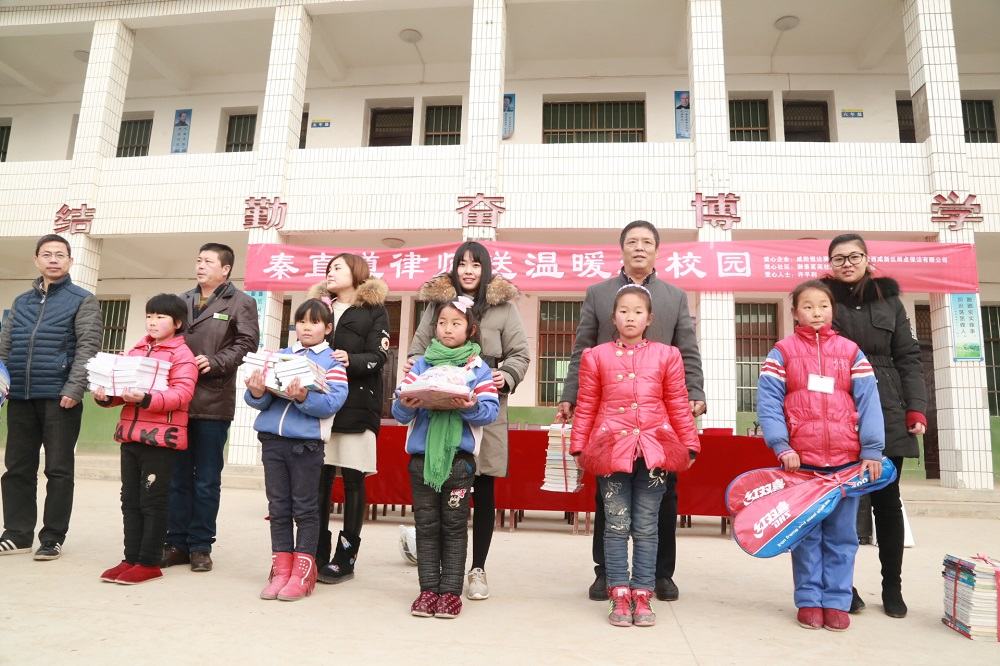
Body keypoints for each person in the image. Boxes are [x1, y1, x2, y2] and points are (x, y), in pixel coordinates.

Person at [557, 220, 705, 602]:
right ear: (621, 248)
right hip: (612, 418)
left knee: (664, 495)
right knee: (608, 495)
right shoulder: (599, 293)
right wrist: (570, 394)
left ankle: (661, 574)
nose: (640, 247)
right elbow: (582, 348)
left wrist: (695, 391)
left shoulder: (674, 296)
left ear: (656, 250)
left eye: (647, 242)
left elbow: (687, 348)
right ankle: (606, 572)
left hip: (660, 419)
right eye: (632, 242)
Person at [757, 279, 885, 632]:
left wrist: (872, 449)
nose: (816, 312)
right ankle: (809, 600)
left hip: (846, 463)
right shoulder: (781, 353)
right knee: (808, 535)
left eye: (823, 306)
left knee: (843, 537)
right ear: (795, 312)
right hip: (803, 463)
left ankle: (837, 601)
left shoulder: (850, 352)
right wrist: (782, 446)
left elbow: (869, 401)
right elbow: (769, 403)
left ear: (832, 310)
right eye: (808, 306)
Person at [569, 285, 699, 627]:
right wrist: (579, 446)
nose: (630, 317)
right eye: (623, 311)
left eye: (638, 311)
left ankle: (642, 593)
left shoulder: (668, 355)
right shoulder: (595, 356)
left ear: (649, 318)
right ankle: (618, 593)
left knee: (646, 525)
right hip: (611, 450)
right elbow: (587, 405)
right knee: (615, 525)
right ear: (613, 317)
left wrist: (689, 443)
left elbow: (678, 403)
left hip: (654, 451)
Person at [407, 241, 529, 600]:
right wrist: (420, 374)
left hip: (485, 404)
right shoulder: (437, 305)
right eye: (462, 264)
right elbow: (417, 348)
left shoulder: (504, 307)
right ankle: (441, 572)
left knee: (484, 485)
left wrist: (505, 375)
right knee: (440, 487)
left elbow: (520, 353)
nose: (468, 270)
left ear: (485, 269)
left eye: (476, 264)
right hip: (438, 408)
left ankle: (477, 568)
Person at [821, 233, 927, 618]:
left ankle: (891, 587)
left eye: (854, 256)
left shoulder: (890, 301)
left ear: (867, 259)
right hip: (838, 407)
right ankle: (842, 586)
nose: (847, 264)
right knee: (841, 503)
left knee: (887, 500)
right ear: (830, 264)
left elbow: (908, 357)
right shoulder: (823, 299)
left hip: (886, 406)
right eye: (839, 258)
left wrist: (916, 408)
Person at [393, 297, 500, 619]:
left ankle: (450, 593)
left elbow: (489, 412)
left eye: (456, 323)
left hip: (459, 462)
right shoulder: (421, 365)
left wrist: (469, 406)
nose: (447, 329)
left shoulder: (478, 369)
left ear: (471, 330)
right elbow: (399, 412)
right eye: (442, 323)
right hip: (422, 460)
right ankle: (428, 590)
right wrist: (407, 403)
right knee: (426, 525)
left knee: (454, 526)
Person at [0, 234, 102, 559]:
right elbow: (5, 345)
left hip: (60, 398)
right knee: (17, 468)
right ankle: (17, 534)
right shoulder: (21, 302)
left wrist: (74, 388)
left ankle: (52, 537)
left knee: (58, 469)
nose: (53, 259)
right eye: (47, 254)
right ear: (36, 260)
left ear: (70, 261)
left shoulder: (82, 300)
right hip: (20, 395)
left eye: (60, 254)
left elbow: (88, 347)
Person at [162, 242, 260, 572]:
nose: (200, 265)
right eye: (198, 260)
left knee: (206, 479)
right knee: (177, 477)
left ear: (226, 269)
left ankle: (201, 546)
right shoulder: (181, 300)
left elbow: (247, 342)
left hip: (213, 400)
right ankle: (176, 542)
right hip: (178, 399)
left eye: (208, 261)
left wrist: (216, 361)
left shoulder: (241, 302)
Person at [245, 299, 349, 602]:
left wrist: (304, 397)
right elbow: (260, 401)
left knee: (305, 509)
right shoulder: (280, 355)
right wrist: (256, 391)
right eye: (301, 321)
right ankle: (280, 570)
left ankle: (303, 572)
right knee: (278, 508)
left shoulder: (333, 362)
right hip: (272, 441)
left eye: (314, 322)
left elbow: (332, 403)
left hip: (306, 444)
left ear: (327, 328)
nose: (306, 327)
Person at [95, 294, 199, 585]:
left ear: (177, 323)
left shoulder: (183, 355)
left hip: (160, 439)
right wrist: (106, 395)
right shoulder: (136, 350)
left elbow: (182, 395)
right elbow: (122, 392)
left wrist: (146, 398)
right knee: (129, 499)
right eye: (149, 316)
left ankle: (150, 562)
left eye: (161, 317)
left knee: (152, 500)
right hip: (130, 436)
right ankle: (130, 558)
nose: (153, 322)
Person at [306, 253, 390, 584]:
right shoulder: (320, 308)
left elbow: (379, 355)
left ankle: (346, 557)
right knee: (320, 481)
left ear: (356, 273)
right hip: (321, 404)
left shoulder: (374, 309)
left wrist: (350, 359)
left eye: (337, 268)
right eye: (328, 268)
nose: (330, 272)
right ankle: (316, 551)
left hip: (358, 405)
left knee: (354, 480)